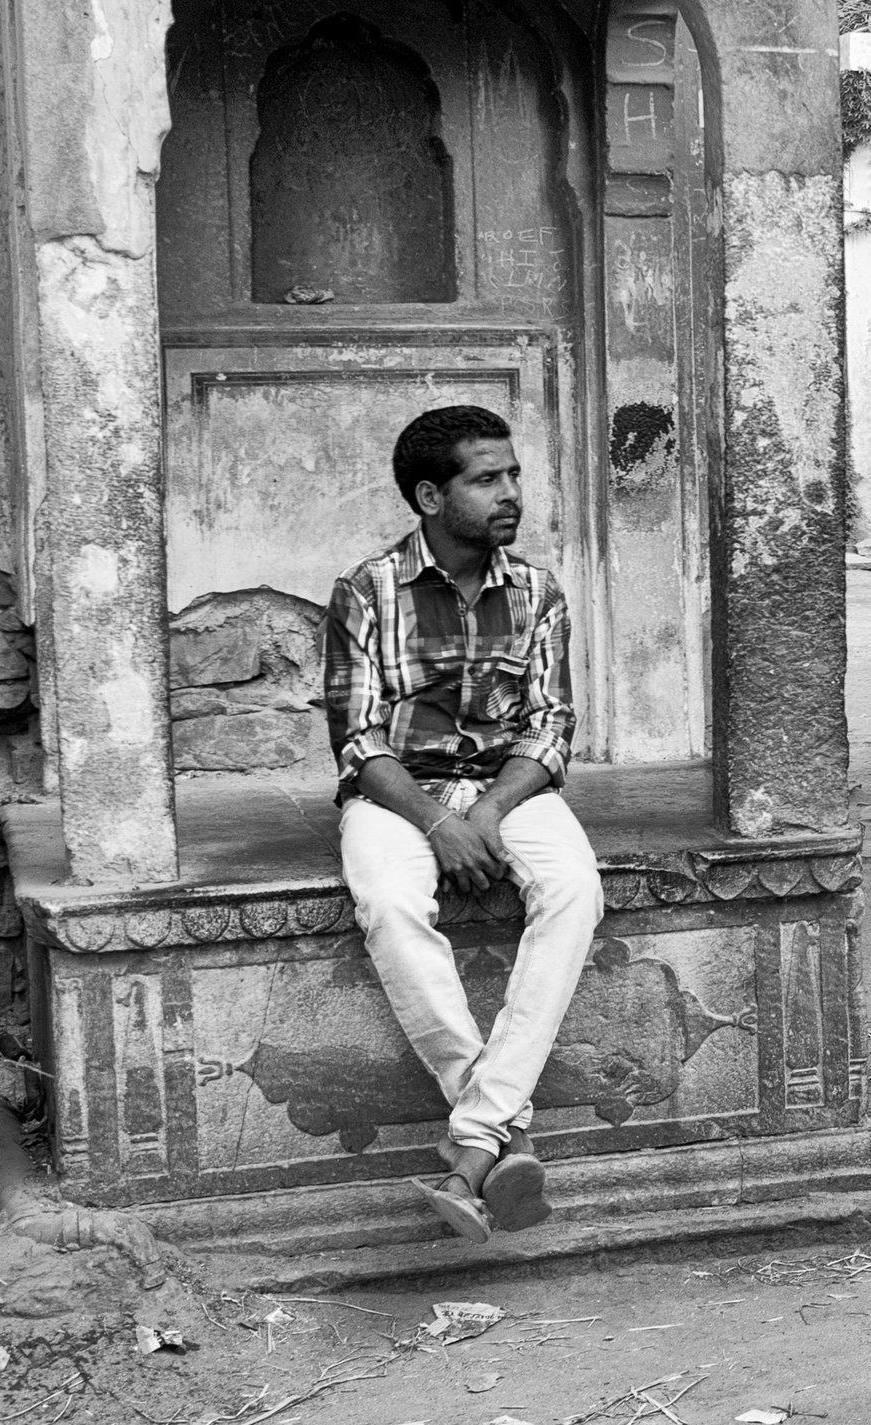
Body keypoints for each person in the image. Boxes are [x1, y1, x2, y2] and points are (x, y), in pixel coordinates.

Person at [323, 405, 602, 1244]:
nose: (510, 493)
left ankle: (472, 1143)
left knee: (573, 889)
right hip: (396, 792)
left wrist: (481, 812)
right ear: (430, 496)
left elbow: (551, 725)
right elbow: (357, 737)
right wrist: (434, 822)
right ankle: (498, 1132)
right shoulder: (366, 590)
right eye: (487, 479)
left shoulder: (539, 590)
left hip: (504, 790)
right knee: (391, 902)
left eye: (512, 475)